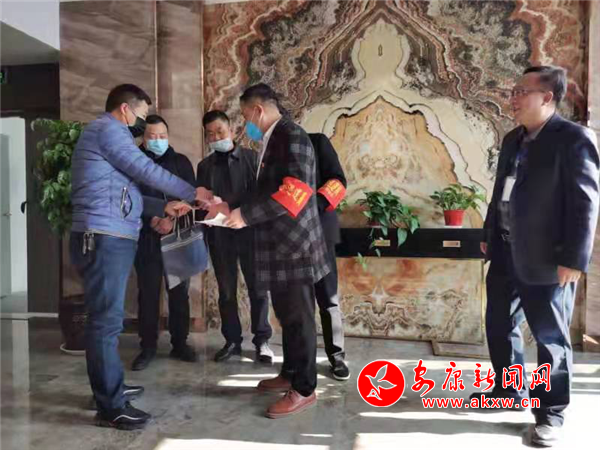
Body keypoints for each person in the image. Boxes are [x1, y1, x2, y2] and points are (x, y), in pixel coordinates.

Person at [70, 84, 213, 430]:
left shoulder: (109, 135)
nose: (143, 122)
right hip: (104, 236)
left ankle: (110, 389)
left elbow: (126, 191)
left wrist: (164, 205)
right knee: (106, 322)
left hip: (109, 235)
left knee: (108, 320)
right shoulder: (108, 130)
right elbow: (145, 170)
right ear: (125, 109)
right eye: (142, 115)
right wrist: (192, 191)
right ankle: (111, 406)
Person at [473, 66, 599, 447]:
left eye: (521, 92)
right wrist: (489, 234)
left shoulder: (573, 139)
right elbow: (501, 192)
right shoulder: (513, 139)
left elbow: (585, 203)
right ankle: (508, 390)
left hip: (548, 258)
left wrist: (575, 259)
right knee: (499, 324)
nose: (512, 98)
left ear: (547, 97)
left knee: (550, 338)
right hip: (505, 250)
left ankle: (550, 414)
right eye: (513, 91)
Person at [209, 83, 330, 419]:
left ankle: (304, 388)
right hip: (279, 246)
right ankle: (290, 372)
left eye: (245, 115)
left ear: (257, 110)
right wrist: (229, 206)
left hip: (295, 246)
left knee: (299, 319)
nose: (245, 123)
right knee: (287, 316)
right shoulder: (273, 138)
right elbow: (263, 191)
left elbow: (296, 191)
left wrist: (245, 216)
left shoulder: (292, 136)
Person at [197, 110, 273, 363]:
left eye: (220, 131)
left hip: (251, 234)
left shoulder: (252, 159)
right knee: (226, 291)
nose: (216, 137)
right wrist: (205, 204)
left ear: (231, 130)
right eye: (210, 134)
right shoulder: (204, 166)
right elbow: (201, 199)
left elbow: (261, 196)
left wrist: (229, 204)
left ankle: (262, 341)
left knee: (258, 289)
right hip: (220, 236)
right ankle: (232, 341)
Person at [131, 114, 198, 371]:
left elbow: (191, 197)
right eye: (152, 136)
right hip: (146, 237)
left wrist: (171, 220)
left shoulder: (180, 162)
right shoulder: (133, 162)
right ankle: (147, 347)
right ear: (143, 138)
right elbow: (129, 197)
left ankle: (180, 343)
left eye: (162, 136)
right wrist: (153, 218)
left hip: (177, 235)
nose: (158, 140)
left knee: (179, 293)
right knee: (148, 294)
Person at [308, 133, 350, 381]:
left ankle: (337, 356)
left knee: (328, 298)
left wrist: (313, 205)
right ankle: (301, 360)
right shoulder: (273, 151)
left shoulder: (317, 142)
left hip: (320, 233)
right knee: (298, 304)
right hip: (288, 239)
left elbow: (338, 181)